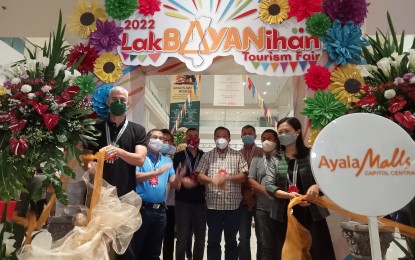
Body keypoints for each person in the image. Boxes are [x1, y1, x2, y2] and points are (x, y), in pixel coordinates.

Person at [84, 86, 147, 260]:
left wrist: (119, 152)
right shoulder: (95, 128)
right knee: (98, 244)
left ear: (128, 103)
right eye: (114, 99)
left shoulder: (138, 130)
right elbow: (87, 158)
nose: (118, 103)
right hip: (98, 196)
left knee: (125, 246)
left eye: (122, 100)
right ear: (107, 101)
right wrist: (90, 166)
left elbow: (140, 159)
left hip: (126, 197)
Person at [266, 117, 335, 260]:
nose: (283, 135)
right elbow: (269, 185)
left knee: (317, 251)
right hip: (284, 214)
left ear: (297, 132)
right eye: (280, 132)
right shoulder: (275, 158)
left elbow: (327, 179)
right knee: (287, 253)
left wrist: (317, 186)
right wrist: (290, 196)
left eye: (287, 131)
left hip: (312, 213)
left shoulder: (311, 155)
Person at [195, 126, 248, 260]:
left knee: (231, 242)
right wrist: (213, 180)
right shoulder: (207, 156)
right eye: (218, 136)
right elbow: (199, 176)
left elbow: (244, 176)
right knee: (213, 242)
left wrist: (228, 177)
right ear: (214, 139)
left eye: (224, 136)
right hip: (213, 208)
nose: (221, 139)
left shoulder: (238, 155)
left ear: (229, 139)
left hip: (233, 208)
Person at [133, 129, 185, 260]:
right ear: (147, 140)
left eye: (161, 138)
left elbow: (173, 183)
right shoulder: (140, 157)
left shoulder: (167, 160)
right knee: (137, 249)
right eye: (155, 137)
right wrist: (155, 173)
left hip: (160, 211)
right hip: (141, 209)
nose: (159, 141)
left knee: (155, 251)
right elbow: (135, 176)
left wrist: (179, 177)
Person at [248, 129, 286, 260]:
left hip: (282, 208)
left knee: (281, 242)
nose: (266, 141)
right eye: (264, 138)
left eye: (270, 138)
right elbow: (251, 179)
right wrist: (268, 190)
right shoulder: (257, 159)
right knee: (264, 244)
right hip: (263, 209)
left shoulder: (283, 158)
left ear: (276, 141)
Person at [173, 128, 206, 260]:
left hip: (200, 203)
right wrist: (181, 179)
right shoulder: (178, 156)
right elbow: (173, 177)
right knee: (182, 238)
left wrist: (197, 181)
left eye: (196, 136)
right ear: (186, 139)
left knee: (200, 238)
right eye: (190, 136)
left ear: (199, 138)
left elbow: (207, 176)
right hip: (182, 202)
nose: (193, 138)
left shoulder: (204, 156)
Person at [238, 125, 263, 260]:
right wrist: (244, 195)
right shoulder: (236, 154)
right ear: (241, 137)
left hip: (260, 200)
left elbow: (265, 177)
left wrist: (252, 192)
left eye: (250, 133)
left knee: (261, 237)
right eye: (245, 133)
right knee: (243, 237)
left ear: (255, 136)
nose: (247, 135)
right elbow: (235, 178)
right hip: (242, 201)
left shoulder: (262, 152)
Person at [161, 129, 178, 260]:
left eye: (168, 141)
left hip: (171, 203)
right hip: (153, 203)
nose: (166, 143)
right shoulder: (149, 157)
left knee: (169, 237)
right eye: (163, 140)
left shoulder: (176, 159)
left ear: (172, 143)